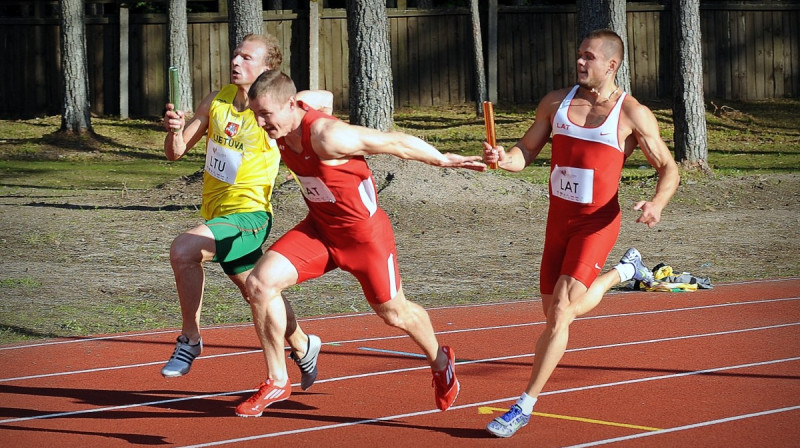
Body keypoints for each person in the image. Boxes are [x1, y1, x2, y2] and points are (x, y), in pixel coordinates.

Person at [232, 69, 485, 418]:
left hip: (365, 239)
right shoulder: (288, 114)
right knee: (259, 284)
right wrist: (302, 101)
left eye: (266, 115)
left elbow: (392, 142)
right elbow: (321, 97)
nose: (261, 123)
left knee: (394, 313)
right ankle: (277, 379)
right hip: (320, 231)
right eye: (256, 114)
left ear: (290, 105)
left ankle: (441, 362)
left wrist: (442, 159)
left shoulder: (327, 136)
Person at [482, 29, 680, 438]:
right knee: (556, 312)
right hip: (558, 224)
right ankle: (623, 272)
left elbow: (668, 167)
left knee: (561, 313)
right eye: (578, 55)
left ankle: (523, 406)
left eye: (588, 57)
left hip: (597, 224)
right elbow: (526, 153)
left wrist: (657, 204)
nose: (579, 62)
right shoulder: (556, 102)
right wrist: (503, 159)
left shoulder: (632, 113)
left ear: (611, 64)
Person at [160, 34, 333, 393]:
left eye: (247, 58)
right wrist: (174, 131)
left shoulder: (276, 110)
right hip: (218, 216)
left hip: (250, 216)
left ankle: (190, 340)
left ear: (267, 68)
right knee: (259, 293)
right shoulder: (218, 99)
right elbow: (176, 153)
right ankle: (303, 344)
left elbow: (326, 101)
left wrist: (293, 99)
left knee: (184, 250)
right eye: (235, 55)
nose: (236, 62)